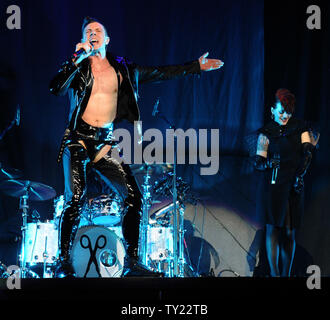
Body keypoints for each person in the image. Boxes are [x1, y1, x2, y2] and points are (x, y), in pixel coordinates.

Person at [49, 17, 224, 278]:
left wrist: (195, 67)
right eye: (88, 32)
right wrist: (76, 59)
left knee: (134, 197)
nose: (93, 34)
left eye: (98, 31)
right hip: (77, 139)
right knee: (74, 197)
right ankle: (62, 262)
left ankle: (131, 262)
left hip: (104, 141)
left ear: (107, 39)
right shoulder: (79, 67)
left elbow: (160, 72)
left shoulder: (123, 69)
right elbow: (56, 88)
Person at [254, 88, 315, 277]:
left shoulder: (301, 127)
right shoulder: (266, 132)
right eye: (281, 111)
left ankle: (286, 275)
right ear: (272, 110)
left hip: (294, 183)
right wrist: (268, 163)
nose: (285, 115)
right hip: (274, 184)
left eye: (288, 111)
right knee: (273, 228)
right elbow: (259, 161)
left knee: (289, 231)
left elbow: (308, 151)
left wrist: (300, 174)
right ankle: (274, 274)